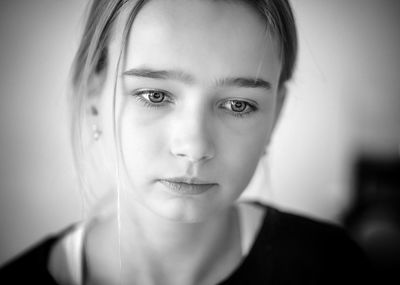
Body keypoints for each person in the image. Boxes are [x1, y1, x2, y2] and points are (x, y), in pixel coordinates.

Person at [0, 0, 374, 284]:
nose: (194, 147)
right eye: (155, 95)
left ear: (275, 114)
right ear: (94, 95)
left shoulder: (332, 264)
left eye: (238, 104)